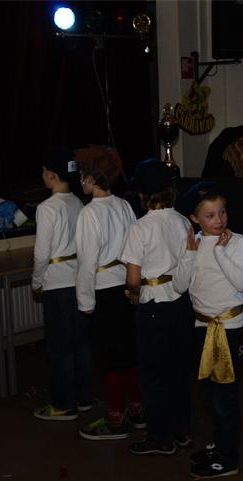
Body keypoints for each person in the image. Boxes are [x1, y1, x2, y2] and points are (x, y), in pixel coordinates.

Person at [173, 181, 243, 479]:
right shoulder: (192, 243)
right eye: (210, 215)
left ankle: (228, 458)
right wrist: (190, 255)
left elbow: (241, 282)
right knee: (208, 393)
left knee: (225, 396)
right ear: (195, 218)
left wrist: (220, 252)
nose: (219, 220)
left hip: (228, 328)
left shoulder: (236, 241)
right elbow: (179, 286)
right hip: (202, 326)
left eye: (222, 212)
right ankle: (219, 443)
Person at [120, 159, 194, 455]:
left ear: (142, 195)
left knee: (153, 373)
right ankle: (181, 430)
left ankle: (160, 437)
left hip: (153, 305)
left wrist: (132, 293)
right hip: (181, 303)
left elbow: (133, 278)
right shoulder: (184, 222)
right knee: (179, 369)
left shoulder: (139, 228)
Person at [74, 146, 145, 441]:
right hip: (127, 286)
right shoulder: (124, 205)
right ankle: (138, 409)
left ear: (91, 178)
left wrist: (85, 301)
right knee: (128, 351)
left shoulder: (89, 213)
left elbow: (86, 263)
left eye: (82, 174)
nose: (80, 179)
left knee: (110, 356)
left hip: (103, 291)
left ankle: (115, 418)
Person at [31, 147, 90, 421]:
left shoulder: (47, 208)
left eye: (44, 171)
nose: (42, 175)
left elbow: (41, 253)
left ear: (52, 175)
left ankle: (64, 404)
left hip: (56, 283)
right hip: (77, 279)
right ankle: (83, 397)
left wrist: (36, 281)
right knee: (80, 343)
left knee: (59, 346)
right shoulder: (78, 202)